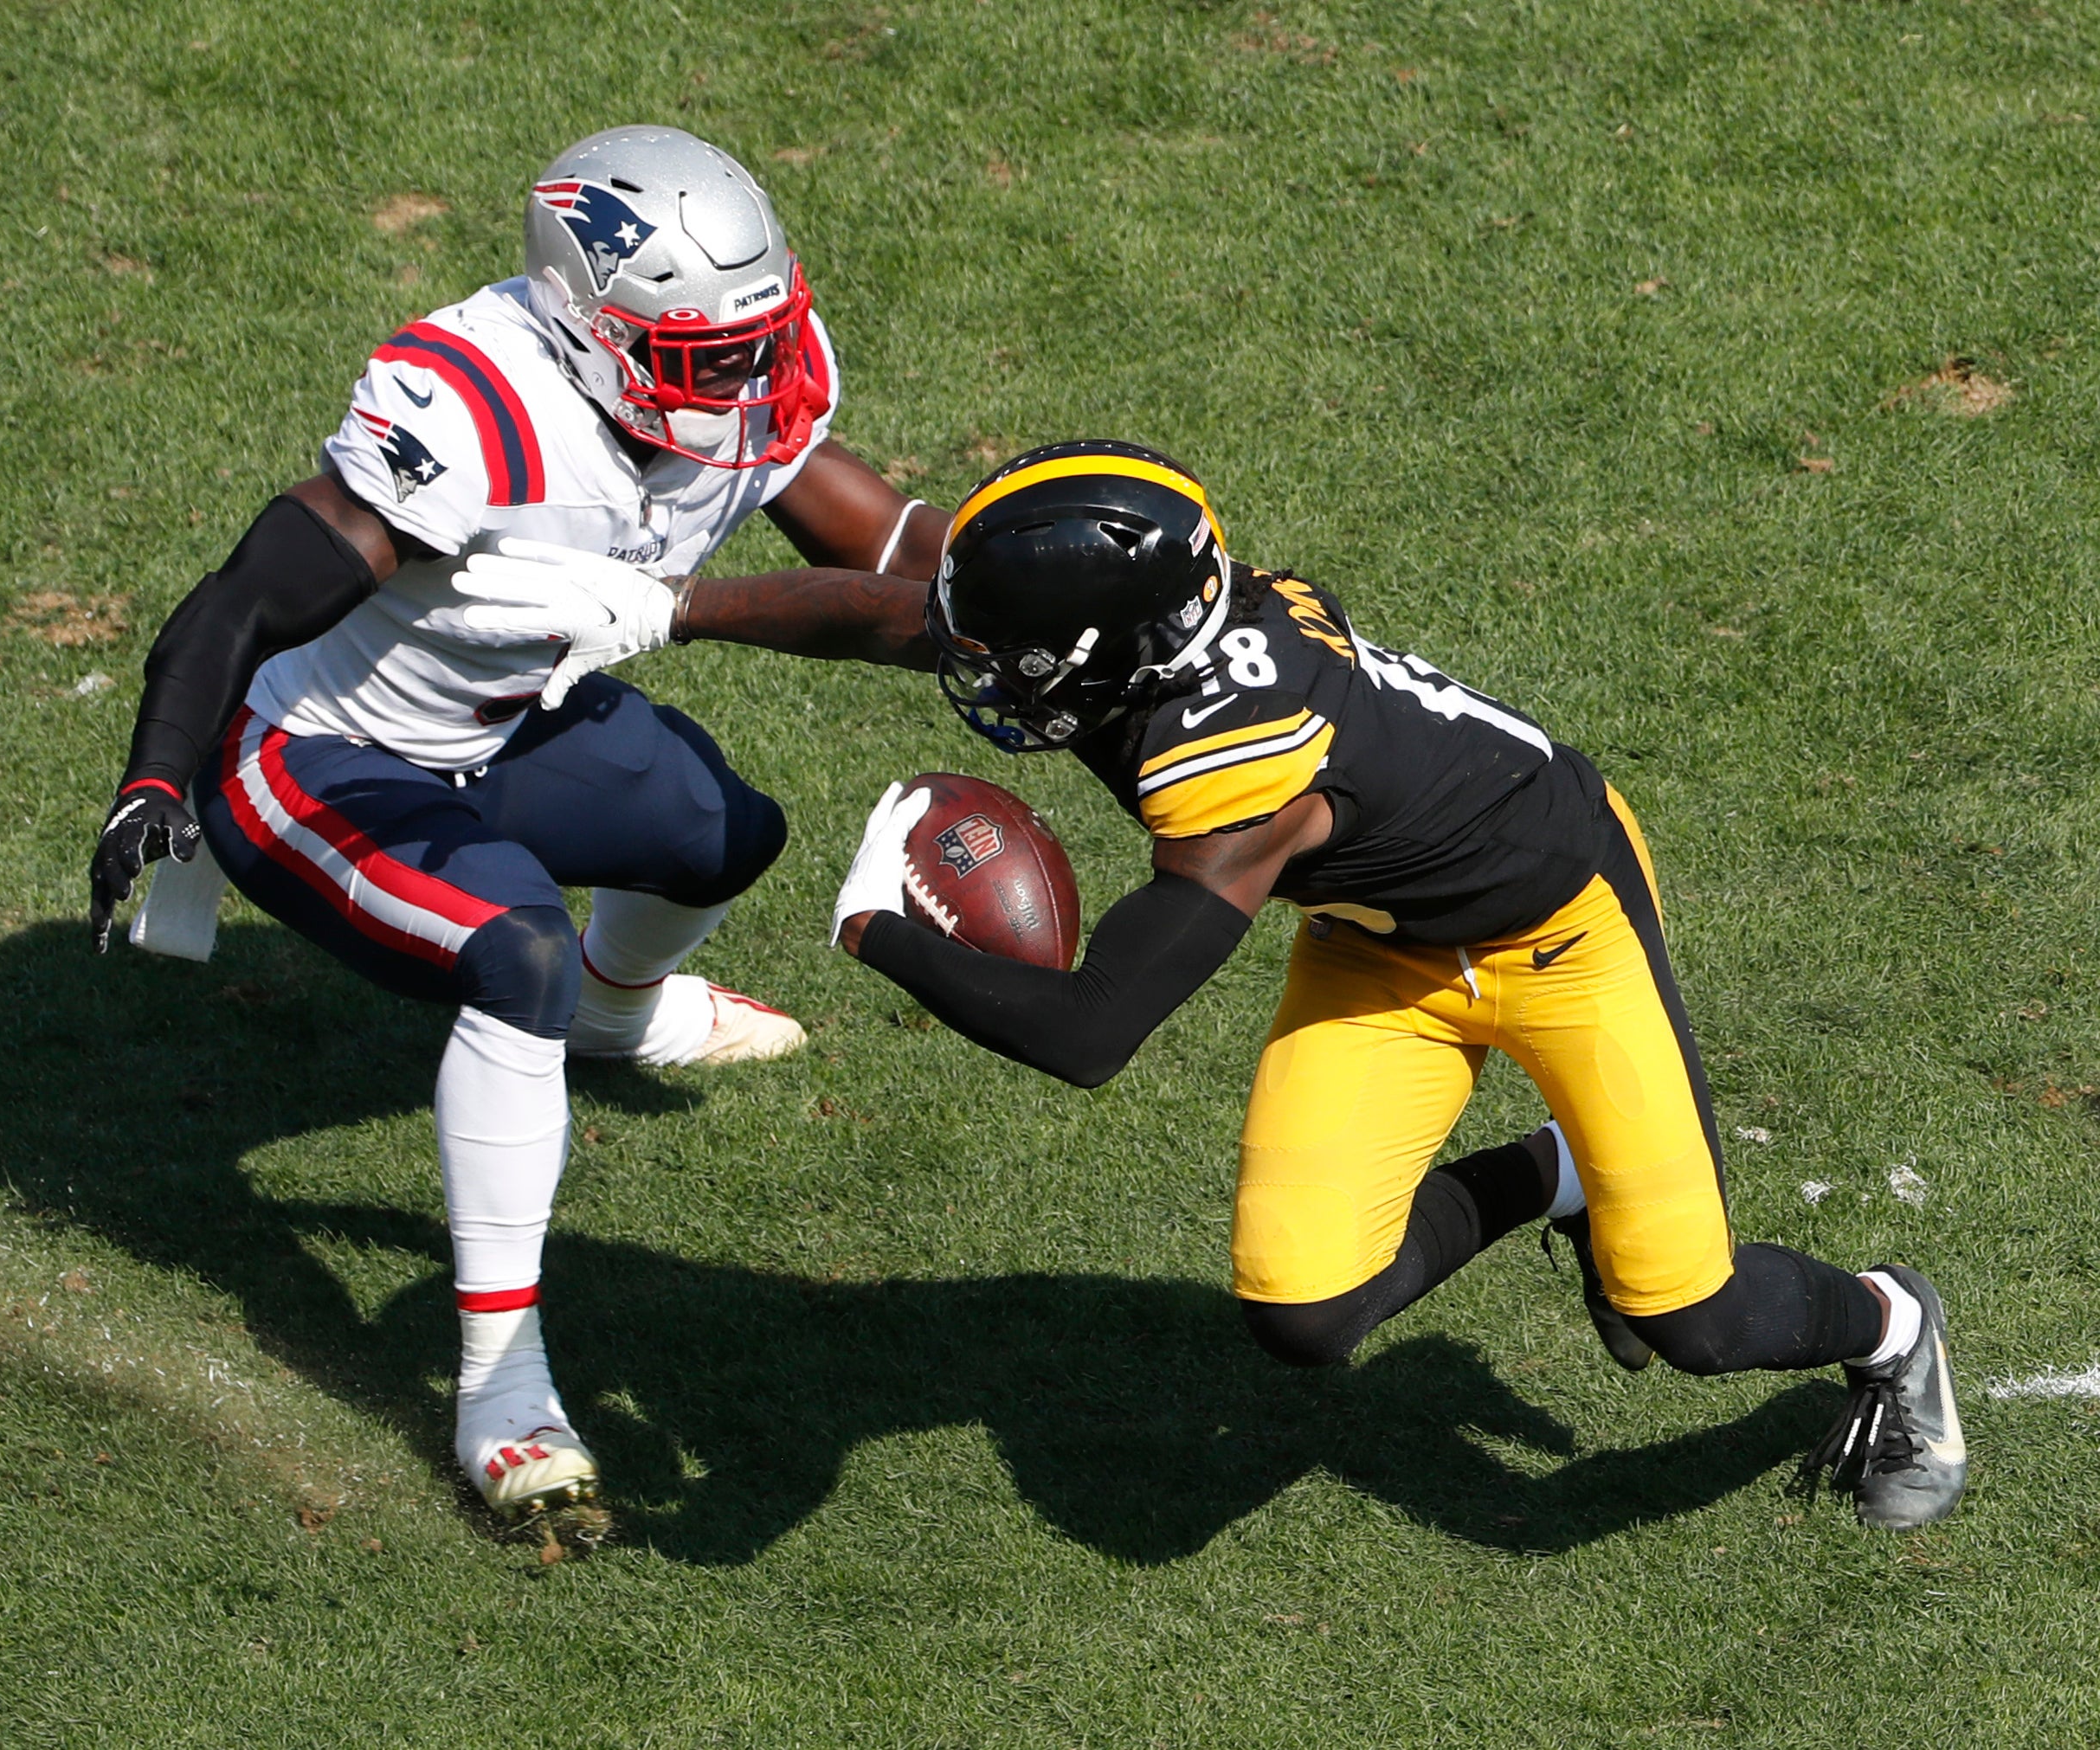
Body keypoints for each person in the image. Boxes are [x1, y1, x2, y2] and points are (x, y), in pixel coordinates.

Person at [491, 439, 1968, 1529]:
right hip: (1388, 939)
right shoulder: (1154, 615)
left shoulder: (1249, 782)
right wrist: (665, 607)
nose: (983, 673)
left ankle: (1895, 1327)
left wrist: (884, 928)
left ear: (1112, 652)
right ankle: (1552, 1175)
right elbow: (899, 588)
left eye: (1017, 659)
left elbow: (1093, 1032)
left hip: (1562, 924)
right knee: (1305, 1311)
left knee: (1686, 1319)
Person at [84, 125, 945, 1518]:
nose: (744, 381)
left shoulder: (737, 363)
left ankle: (619, 1015)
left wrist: (1033, 600)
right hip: (315, 751)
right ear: (591, 328)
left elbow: (893, 556)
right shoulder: (475, 410)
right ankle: (500, 1376)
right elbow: (243, 593)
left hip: (500, 714)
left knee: (725, 833)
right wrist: (154, 769)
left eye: (757, 340)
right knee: (519, 953)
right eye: (702, 356)